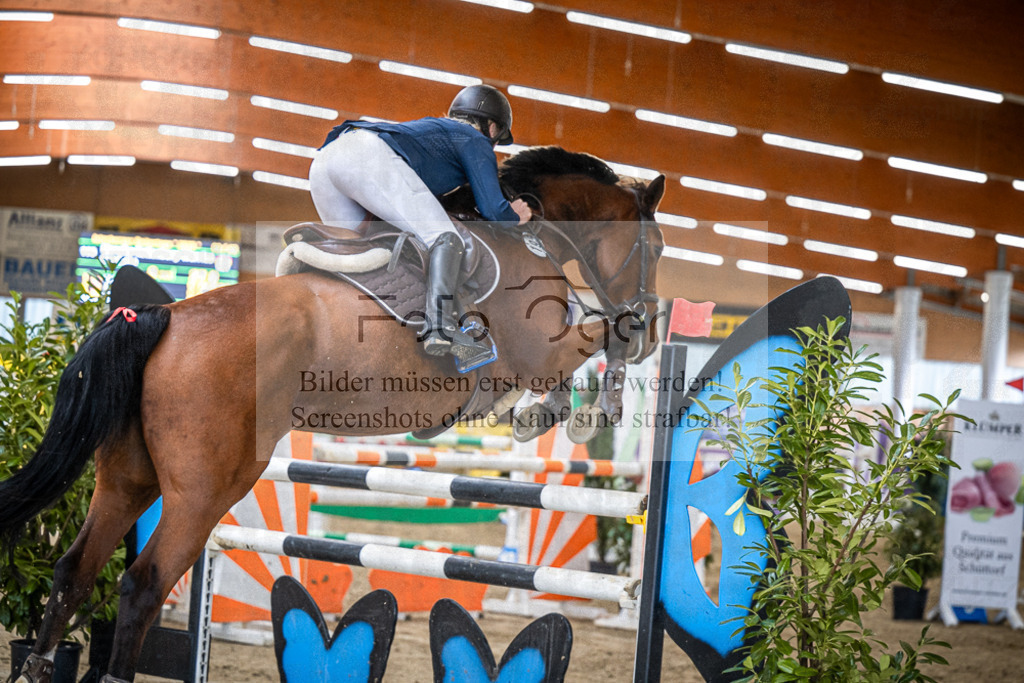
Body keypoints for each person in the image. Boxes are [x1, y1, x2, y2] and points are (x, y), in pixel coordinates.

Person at [308, 84, 532, 367]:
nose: (495, 146)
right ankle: (441, 328)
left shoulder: (435, 133)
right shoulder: (474, 139)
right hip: (364, 156)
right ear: (490, 127)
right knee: (446, 238)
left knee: (362, 251)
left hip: (324, 163)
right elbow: (492, 209)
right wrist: (515, 216)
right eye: (497, 138)